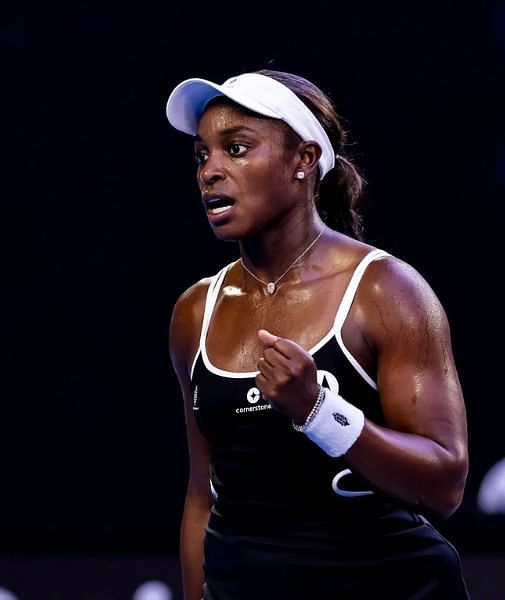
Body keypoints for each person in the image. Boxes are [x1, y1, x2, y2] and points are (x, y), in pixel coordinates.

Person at [165, 70, 470, 599]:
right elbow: (202, 496)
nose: (210, 171)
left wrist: (318, 411)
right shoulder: (195, 312)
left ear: (303, 160)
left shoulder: (385, 291)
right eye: (201, 155)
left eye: (236, 149)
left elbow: (444, 483)